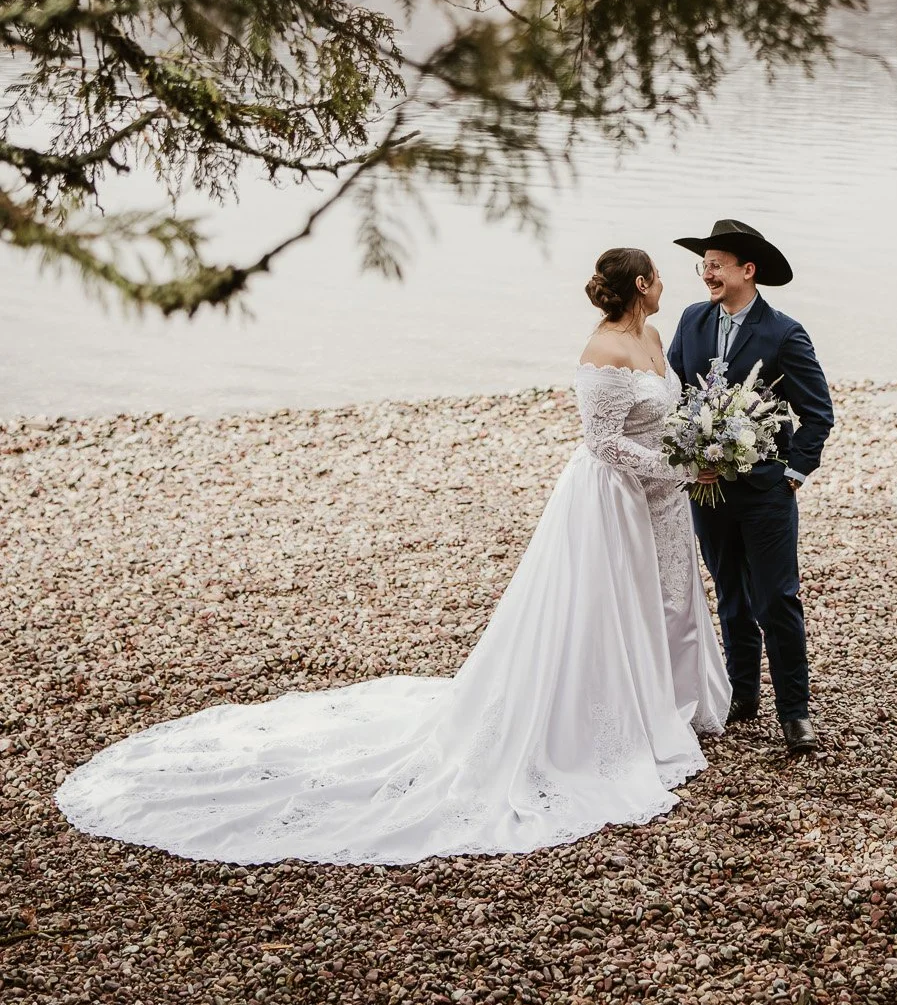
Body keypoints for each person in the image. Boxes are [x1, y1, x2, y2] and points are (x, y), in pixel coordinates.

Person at [55, 249, 730, 864]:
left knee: (664, 595)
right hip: (611, 496)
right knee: (604, 603)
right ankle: (602, 723)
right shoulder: (602, 352)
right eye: (658, 276)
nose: (667, 283)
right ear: (641, 285)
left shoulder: (649, 337)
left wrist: (692, 450)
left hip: (660, 497)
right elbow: (601, 444)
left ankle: (668, 705)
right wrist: (682, 465)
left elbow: (661, 415)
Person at [668, 218, 834, 755]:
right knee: (731, 598)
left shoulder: (785, 333)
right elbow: (673, 395)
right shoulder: (692, 320)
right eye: (704, 264)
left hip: (765, 493)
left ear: (748, 269)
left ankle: (795, 712)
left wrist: (792, 473)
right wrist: (691, 456)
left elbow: (818, 414)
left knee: (777, 600)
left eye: (716, 264)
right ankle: (742, 695)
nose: (707, 273)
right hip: (707, 491)